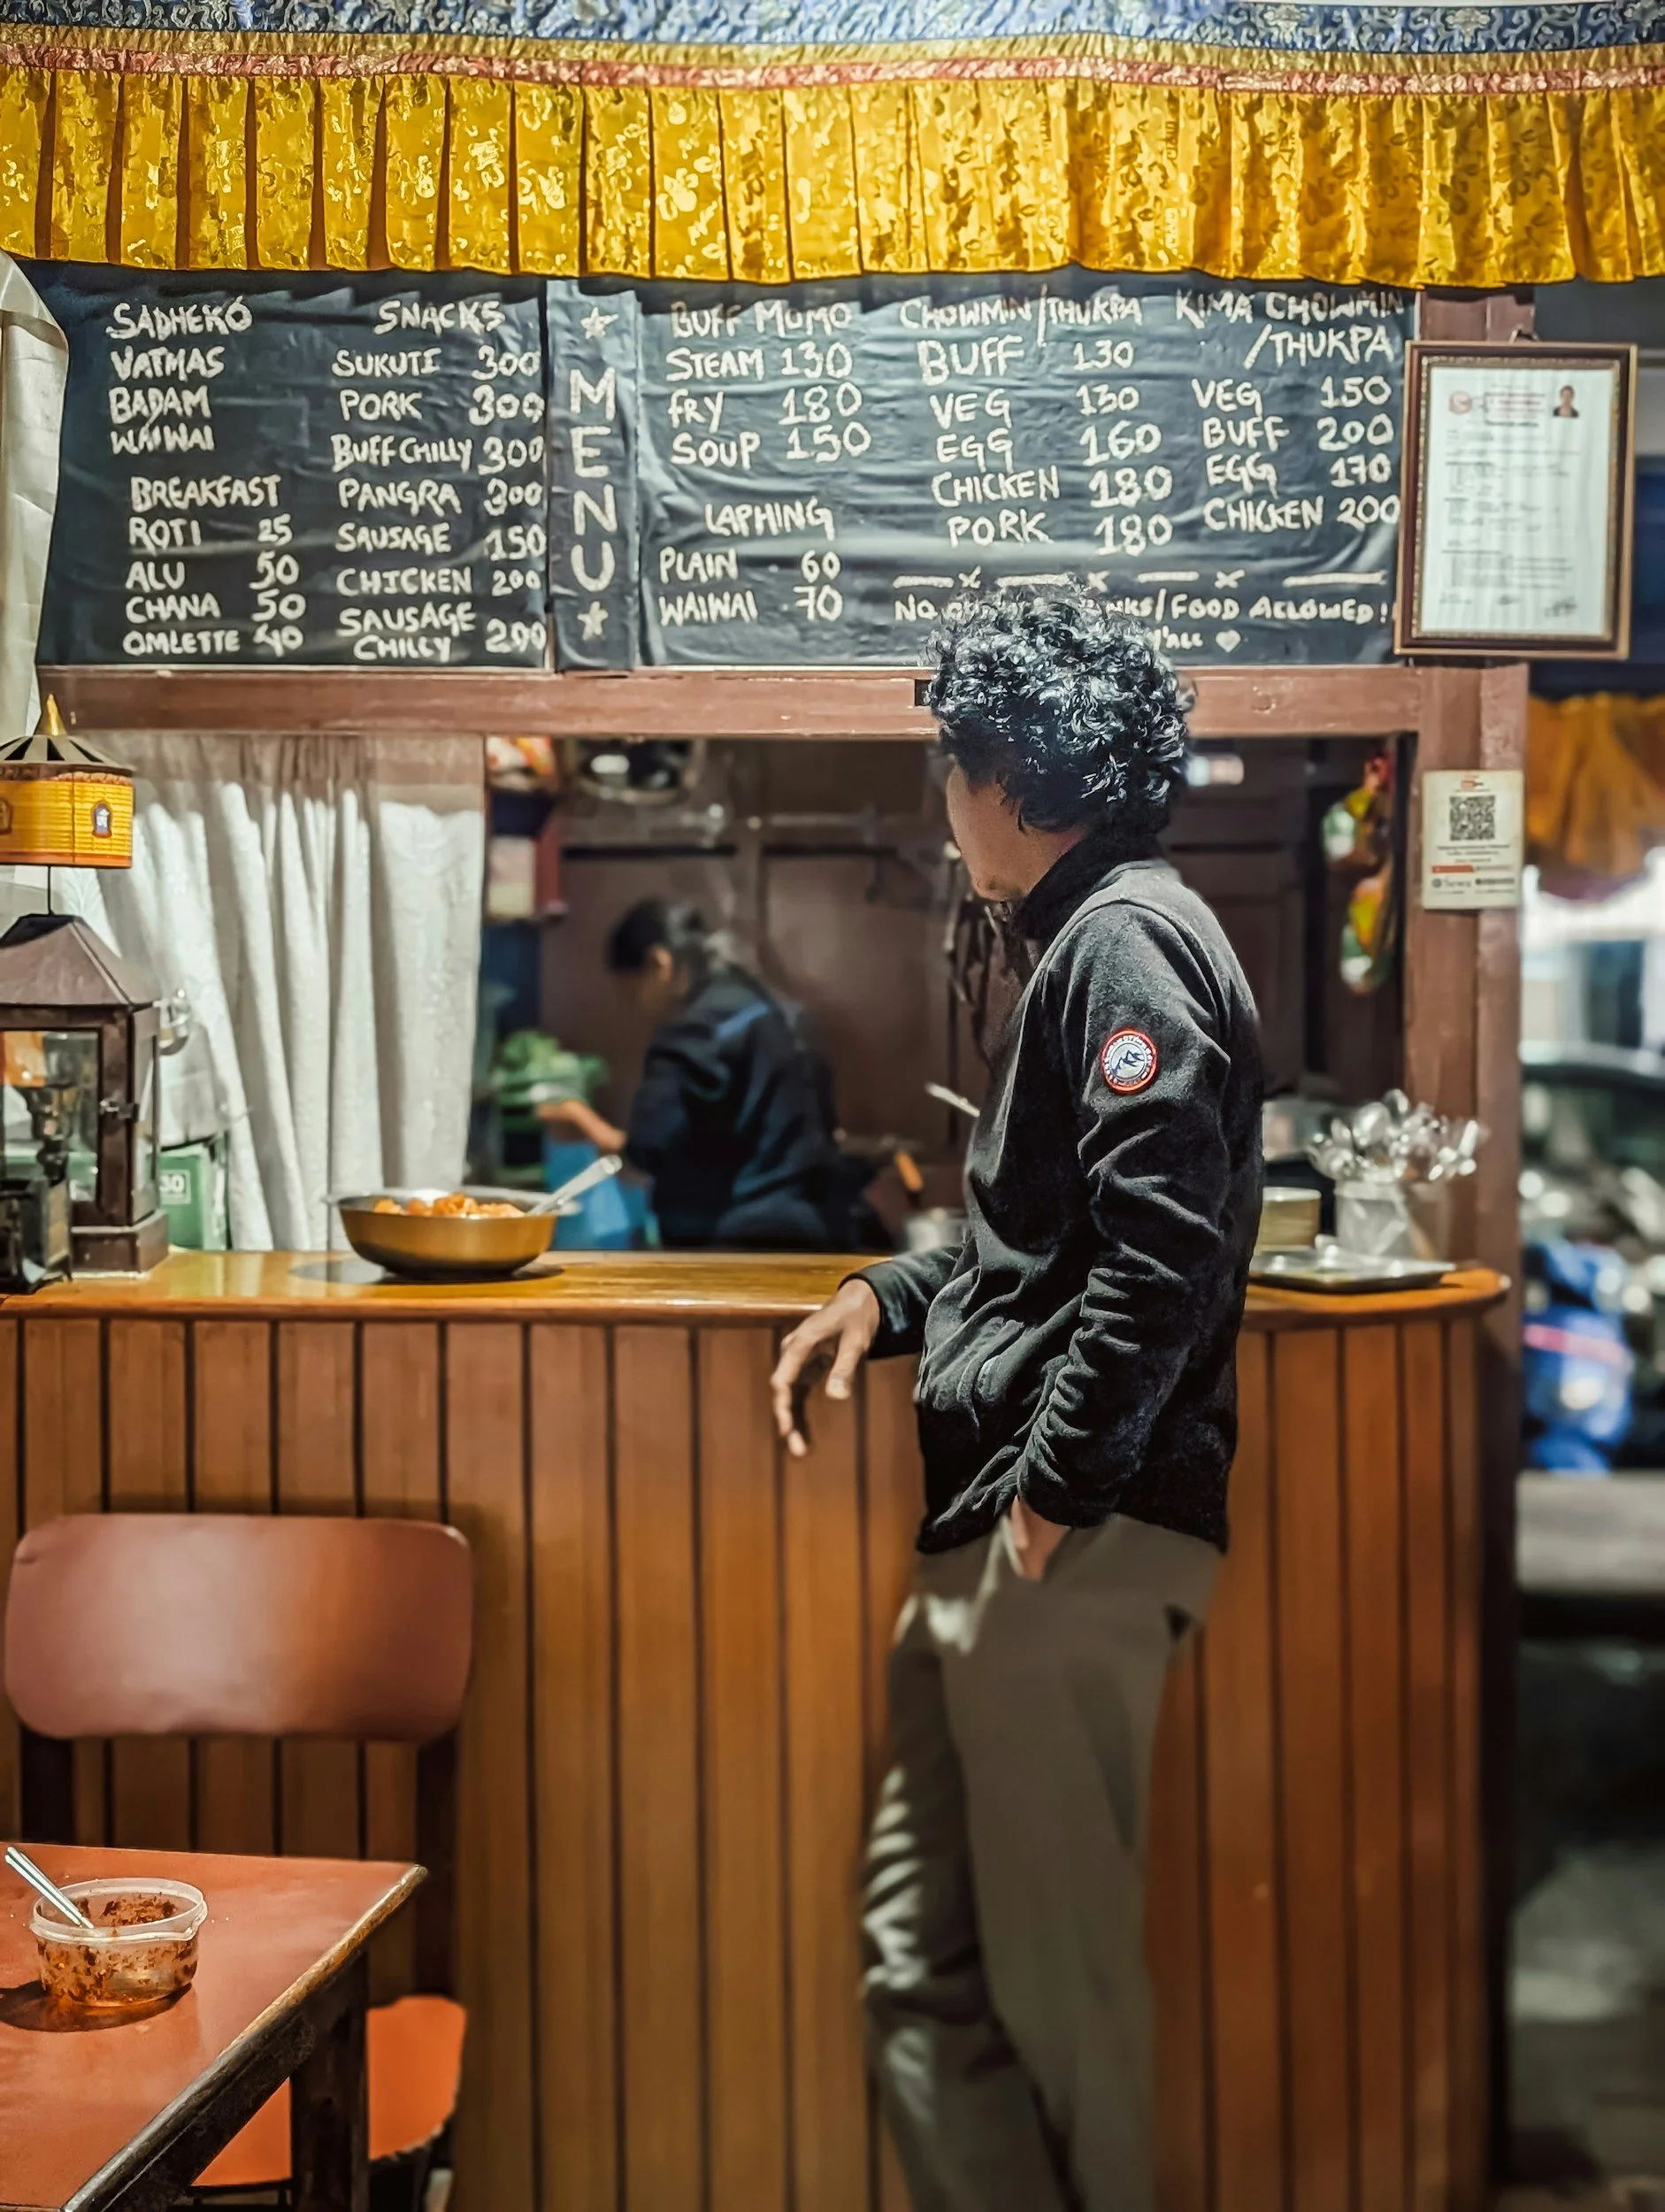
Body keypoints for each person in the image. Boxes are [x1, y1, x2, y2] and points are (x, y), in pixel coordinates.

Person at [769, 595, 1262, 2212]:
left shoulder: (1125, 940)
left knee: (1061, 2002)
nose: (943, 797)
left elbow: (1162, 1251)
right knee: (915, 1962)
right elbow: (1042, 1256)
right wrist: (886, 1296)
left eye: (951, 764)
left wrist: (1053, 1494)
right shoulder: (1097, 936)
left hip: (1067, 1539)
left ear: (1011, 778)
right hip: (1006, 1533)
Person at [541, 896, 870, 1249]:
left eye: (632, 989)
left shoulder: (693, 1032)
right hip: (819, 1226)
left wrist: (582, 1121)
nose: (634, 1005)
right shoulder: (772, 1009)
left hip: (736, 1240)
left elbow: (647, 1150)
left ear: (659, 962)